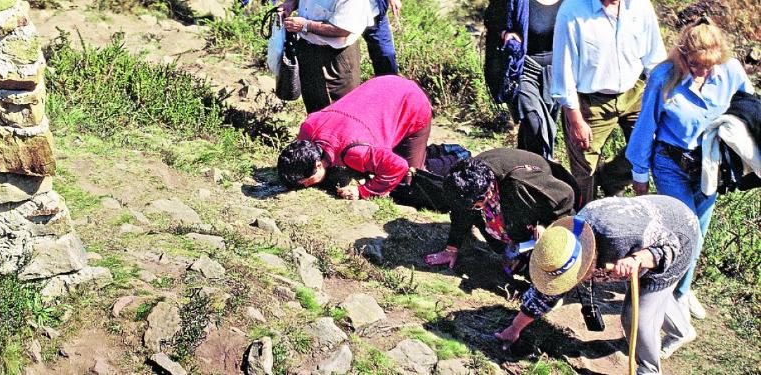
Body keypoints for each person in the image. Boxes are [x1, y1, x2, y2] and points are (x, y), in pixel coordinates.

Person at [626, 19, 753, 323]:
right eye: (696, 64)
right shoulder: (663, 77)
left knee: (697, 234)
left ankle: (681, 293)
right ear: (683, 56)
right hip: (671, 163)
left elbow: (748, 107)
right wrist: (640, 176)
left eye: (709, 66)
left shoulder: (732, 70)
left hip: (711, 166)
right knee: (682, 231)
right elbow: (646, 128)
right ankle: (664, 297)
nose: (703, 72)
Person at [495, 196, 700, 373]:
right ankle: (683, 332)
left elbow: (670, 244)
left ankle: (648, 370)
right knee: (656, 300)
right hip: (643, 237)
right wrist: (514, 328)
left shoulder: (616, 235)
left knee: (636, 316)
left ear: (589, 257)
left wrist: (639, 258)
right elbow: (545, 294)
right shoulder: (563, 245)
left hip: (678, 234)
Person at [551, 0, 666, 205]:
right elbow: (564, 70)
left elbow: (654, 56)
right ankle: (586, 223)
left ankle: (613, 178)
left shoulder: (639, 2)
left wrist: (659, 99)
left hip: (634, 92)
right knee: (584, 169)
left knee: (652, 147)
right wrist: (575, 119)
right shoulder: (573, 11)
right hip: (590, 101)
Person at [491, 0, 587, 159]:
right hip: (525, 68)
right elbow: (494, 18)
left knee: (545, 126)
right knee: (534, 120)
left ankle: (527, 169)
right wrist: (506, 34)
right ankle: (543, 166)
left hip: (557, 72)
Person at [423, 148, 578, 276]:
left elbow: (566, 196)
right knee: (505, 249)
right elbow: (461, 212)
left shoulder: (519, 183)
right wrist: (451, 249)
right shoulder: (465, 178)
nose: (474, 209)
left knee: (543, 261)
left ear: (489, 192)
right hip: (511, 202)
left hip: (549, 204)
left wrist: (546, 225)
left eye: (478, 205)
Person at [277, 75, 432, 199]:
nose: (304, 186)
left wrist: (363, 191)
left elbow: (398, 166)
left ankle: (451, 156)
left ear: (318, 165)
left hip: (411, 102)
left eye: (304, 183)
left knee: (409, 183)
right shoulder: (307, 130)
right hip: (381, 86)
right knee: (383, 156)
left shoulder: (357, 152)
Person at [277, 0, 369, 112]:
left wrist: (304, 25)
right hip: (308, 51)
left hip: (336, 59)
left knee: (339, 113)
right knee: (314, 109)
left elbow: (343, 29)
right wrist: (288, 4)